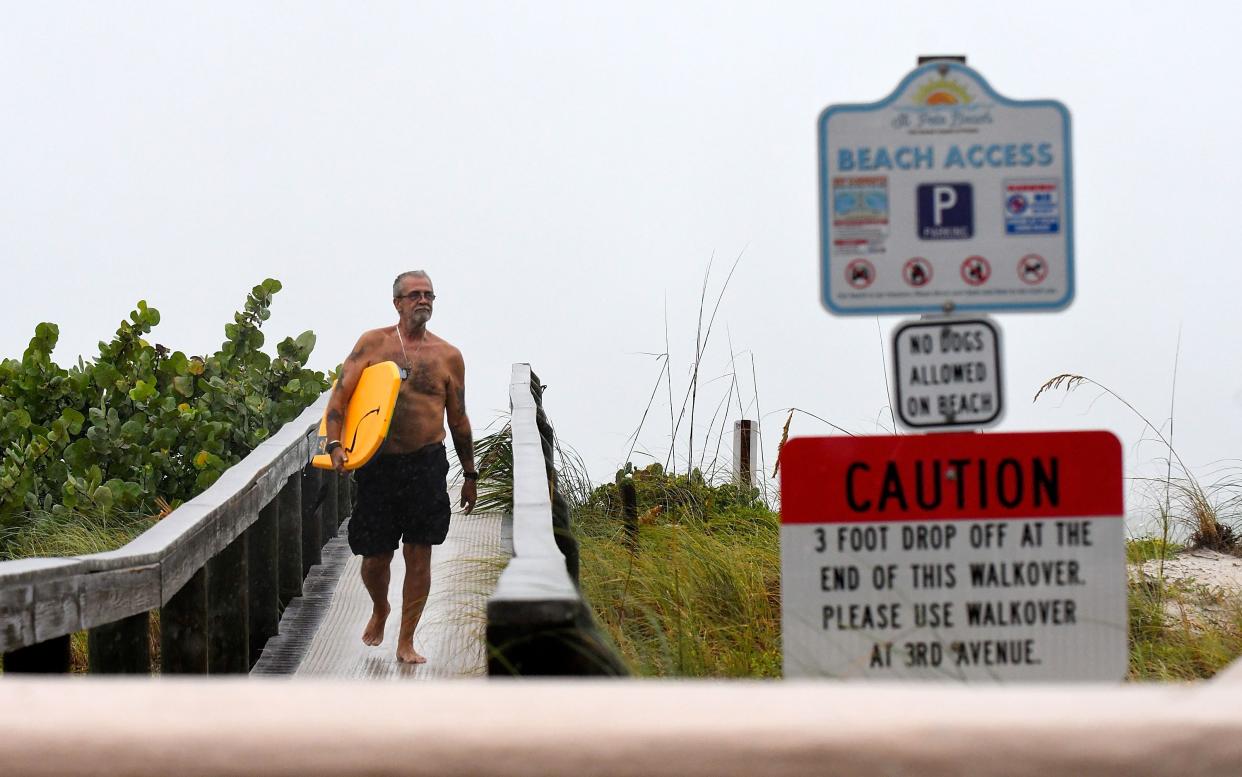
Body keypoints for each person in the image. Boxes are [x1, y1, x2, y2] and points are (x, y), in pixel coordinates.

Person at [324, 270, 477, 664]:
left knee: (419, 552)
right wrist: (336, 444)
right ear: (397, 303)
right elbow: (339, 399)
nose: (422, 300)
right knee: (374, 558)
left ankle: (406, 640)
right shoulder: (372, 344)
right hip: (379, 464)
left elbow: (458, 420)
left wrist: (470, 475)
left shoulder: (448, 356)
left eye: (429, 295)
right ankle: (380, 608)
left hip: (426, 463)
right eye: (414, 295)